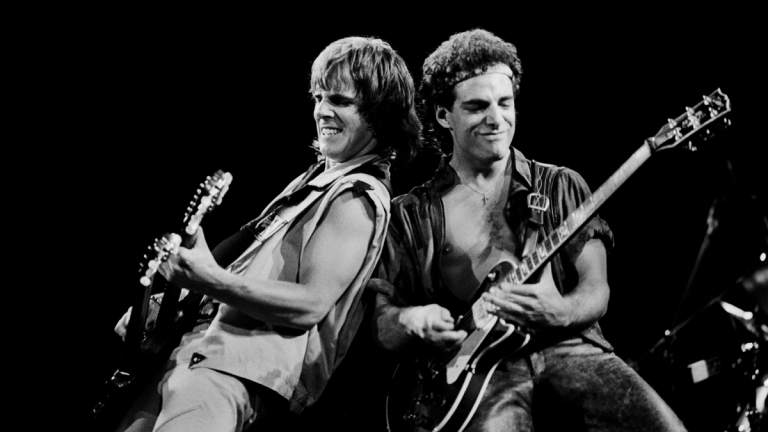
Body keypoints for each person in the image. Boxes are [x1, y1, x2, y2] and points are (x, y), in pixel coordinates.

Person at [371, 29, 687, 431]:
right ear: (442, 115)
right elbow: (381, 322)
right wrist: (413, 320)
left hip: (568, 347)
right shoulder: (409, 215)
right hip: (478, 371)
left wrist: (562, 311)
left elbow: (597, 289)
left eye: (505, 103)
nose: (496, 119)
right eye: (477, 106)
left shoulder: (560, 185)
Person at [113, 36, 421, 432]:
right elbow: (247, 275)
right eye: (318, 97)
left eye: (340, 101)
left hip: (228, 373)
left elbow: (310, 304)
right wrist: (168, 304)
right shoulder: (316, 181)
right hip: (190, 356)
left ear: (381, 115)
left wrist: (210, 278)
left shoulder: (355, 196)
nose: (322, 111)